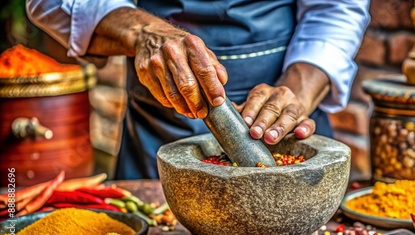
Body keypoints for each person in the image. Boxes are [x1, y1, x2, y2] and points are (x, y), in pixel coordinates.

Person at [26, 0, 370, 179]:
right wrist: (145, 34)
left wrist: (298, 90)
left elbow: (337, 8)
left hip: (288, 108)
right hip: (158, 128)